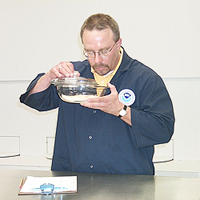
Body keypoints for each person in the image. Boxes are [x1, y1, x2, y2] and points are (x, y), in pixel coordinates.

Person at [20, 13, 175, 175]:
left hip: (127, 183)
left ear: (118, 44)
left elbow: (163, 130)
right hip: (75, 180)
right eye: (89, 52)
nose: (97, 60)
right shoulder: (73, 76)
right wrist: (49, 75)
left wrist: (121, 110)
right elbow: (35, 101)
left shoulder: (145, 79)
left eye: (104, 51)